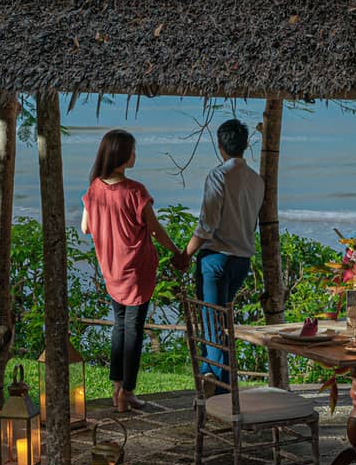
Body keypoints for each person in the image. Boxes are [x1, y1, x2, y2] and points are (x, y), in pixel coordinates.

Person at [81, 129, 186, 412]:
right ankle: (127, 392)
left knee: (120, 326)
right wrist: (177, 252)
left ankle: (117, 389)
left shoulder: (94, 189)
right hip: (136, 270)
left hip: (112, 269)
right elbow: (156, 231)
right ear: (122, 155)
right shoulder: (135, 191)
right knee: (134, 330)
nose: (135, 155)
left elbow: (85, 227)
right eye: (133, 150)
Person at [175, 119, 264, 383]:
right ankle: (209, 378)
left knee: (213, 328)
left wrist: (186, 254)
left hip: (215, 260)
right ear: (246, 145)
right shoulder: (257, 181)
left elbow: (207, 225)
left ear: (219, 145)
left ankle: (223, 390)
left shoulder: (218, 176)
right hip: (241, 262)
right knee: (220, 325)